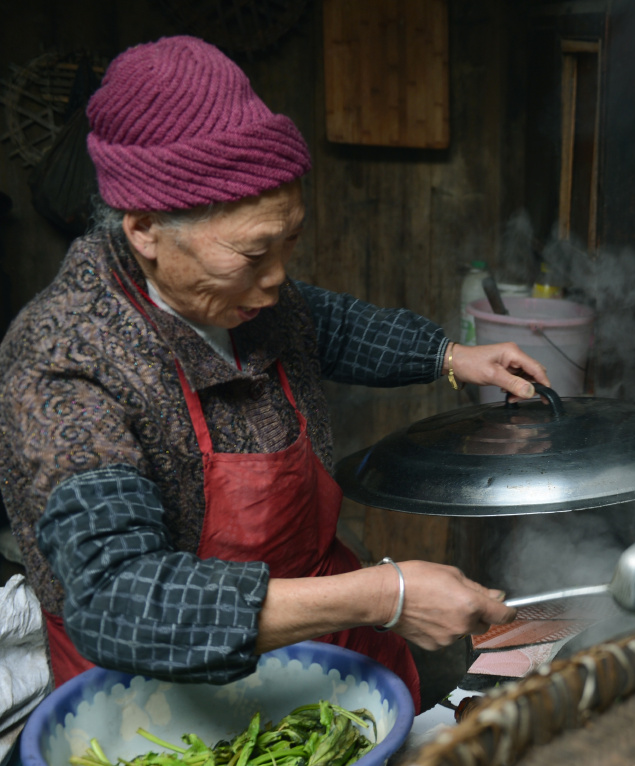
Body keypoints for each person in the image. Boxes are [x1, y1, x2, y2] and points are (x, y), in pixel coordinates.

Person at [0, 36, 550, 711]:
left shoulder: (249, 295)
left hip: (321, 645)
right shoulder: (64, 364)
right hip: (162, 704)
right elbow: (122, 603)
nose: (278, 279)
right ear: (145, 229)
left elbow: (325, 323)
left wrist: (449, 356)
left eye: (289, 242)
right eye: (255, 253)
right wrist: (388, 593)